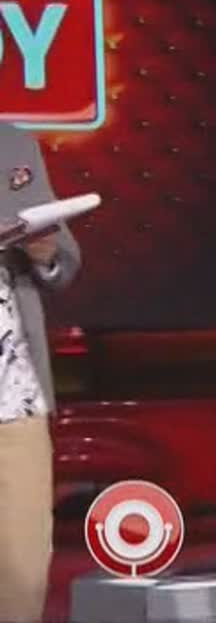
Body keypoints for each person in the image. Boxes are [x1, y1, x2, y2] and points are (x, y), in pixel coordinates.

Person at [0, 123, 81, 623]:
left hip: (15, 398)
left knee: (24, 575)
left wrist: (47, 254)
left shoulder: (13, 145)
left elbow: (63, 261)